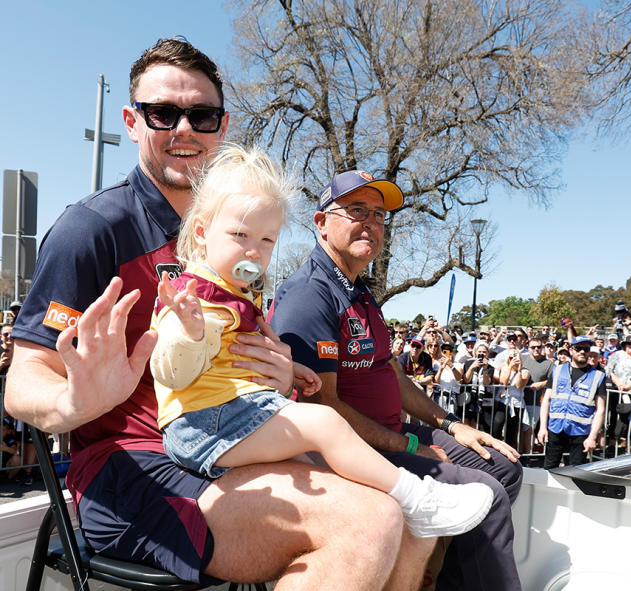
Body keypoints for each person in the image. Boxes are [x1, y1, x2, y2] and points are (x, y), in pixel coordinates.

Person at [3, 38, 434, 589]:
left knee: (417, 522)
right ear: (133, 122)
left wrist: (282, 376)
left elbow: (248, 365)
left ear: (222, 126)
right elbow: (22, 385)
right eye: (163, 113)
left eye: (201, 115)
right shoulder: (92, 229)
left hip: (227, 443)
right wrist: (72, 401)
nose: (184, 130)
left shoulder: (242, 244)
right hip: (131, 467)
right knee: (370, 524)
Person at [151, 145, 492, 538]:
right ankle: (418, 499)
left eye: (266, 240)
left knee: (322, 463)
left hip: (234, 415)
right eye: (239, 234)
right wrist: (190, 334)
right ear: (201, 233)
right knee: (326, 423)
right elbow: (172, 372)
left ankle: (403, 510)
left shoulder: (234, 291)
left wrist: (292, 370)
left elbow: (230, 357)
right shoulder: (195, 298)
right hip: (205, 426)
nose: (253, 251)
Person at [270, 170, 524, 590]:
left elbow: (389, 371)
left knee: (506, 468)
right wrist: (415, 447)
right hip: (347, 451)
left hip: (391, 433)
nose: (371, 222)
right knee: (487, 495)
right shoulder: (308, 295)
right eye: (356, 210)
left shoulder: (362, 292)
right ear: (321, 223)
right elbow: (322, 410)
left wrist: (451, 426)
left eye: (379, 215)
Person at [537, 335, 607, 469]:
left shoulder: (598, 376)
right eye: (579, 348)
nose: (582, 352)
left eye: (586, 349)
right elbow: (546, 400)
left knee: (576, 472)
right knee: (550, 468)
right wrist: (542, 428)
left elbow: (601, 410)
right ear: (571, 350)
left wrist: (592, 437)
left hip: (580, 432)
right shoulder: (557, 370)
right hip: (556, 428)